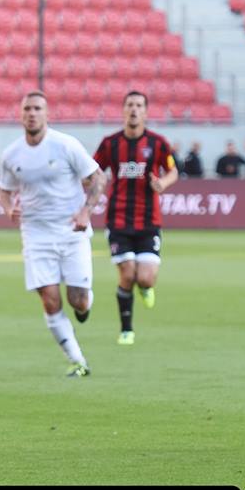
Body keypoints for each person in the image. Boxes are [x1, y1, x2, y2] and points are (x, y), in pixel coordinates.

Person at [0, 91, 106, 375]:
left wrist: (85, 212)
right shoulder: (12, 154)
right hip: (35, 234)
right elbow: (5, 189)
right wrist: (9, 209)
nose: (32, 113)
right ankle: (78, 361)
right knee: (49, 298)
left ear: (47, 114)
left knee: (78, 300)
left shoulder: (66, 145)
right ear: (21, 115)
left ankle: (85, 307)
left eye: (37, 108)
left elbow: (98, 178)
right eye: (27, 109)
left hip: (71, 230)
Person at [93, 91, 179, 345]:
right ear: (123, 110)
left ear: (146, 111)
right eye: (130, 105)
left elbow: (173, 171)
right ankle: (126, 330)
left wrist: (162, 182)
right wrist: (92, 183)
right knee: (127, 274)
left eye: (139, 105)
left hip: (148, 222)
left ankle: (146, 286)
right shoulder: (110, 143)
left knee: (145, 277)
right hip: (118, 220)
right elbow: (93, 170)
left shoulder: (158, 143)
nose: (134, 109)